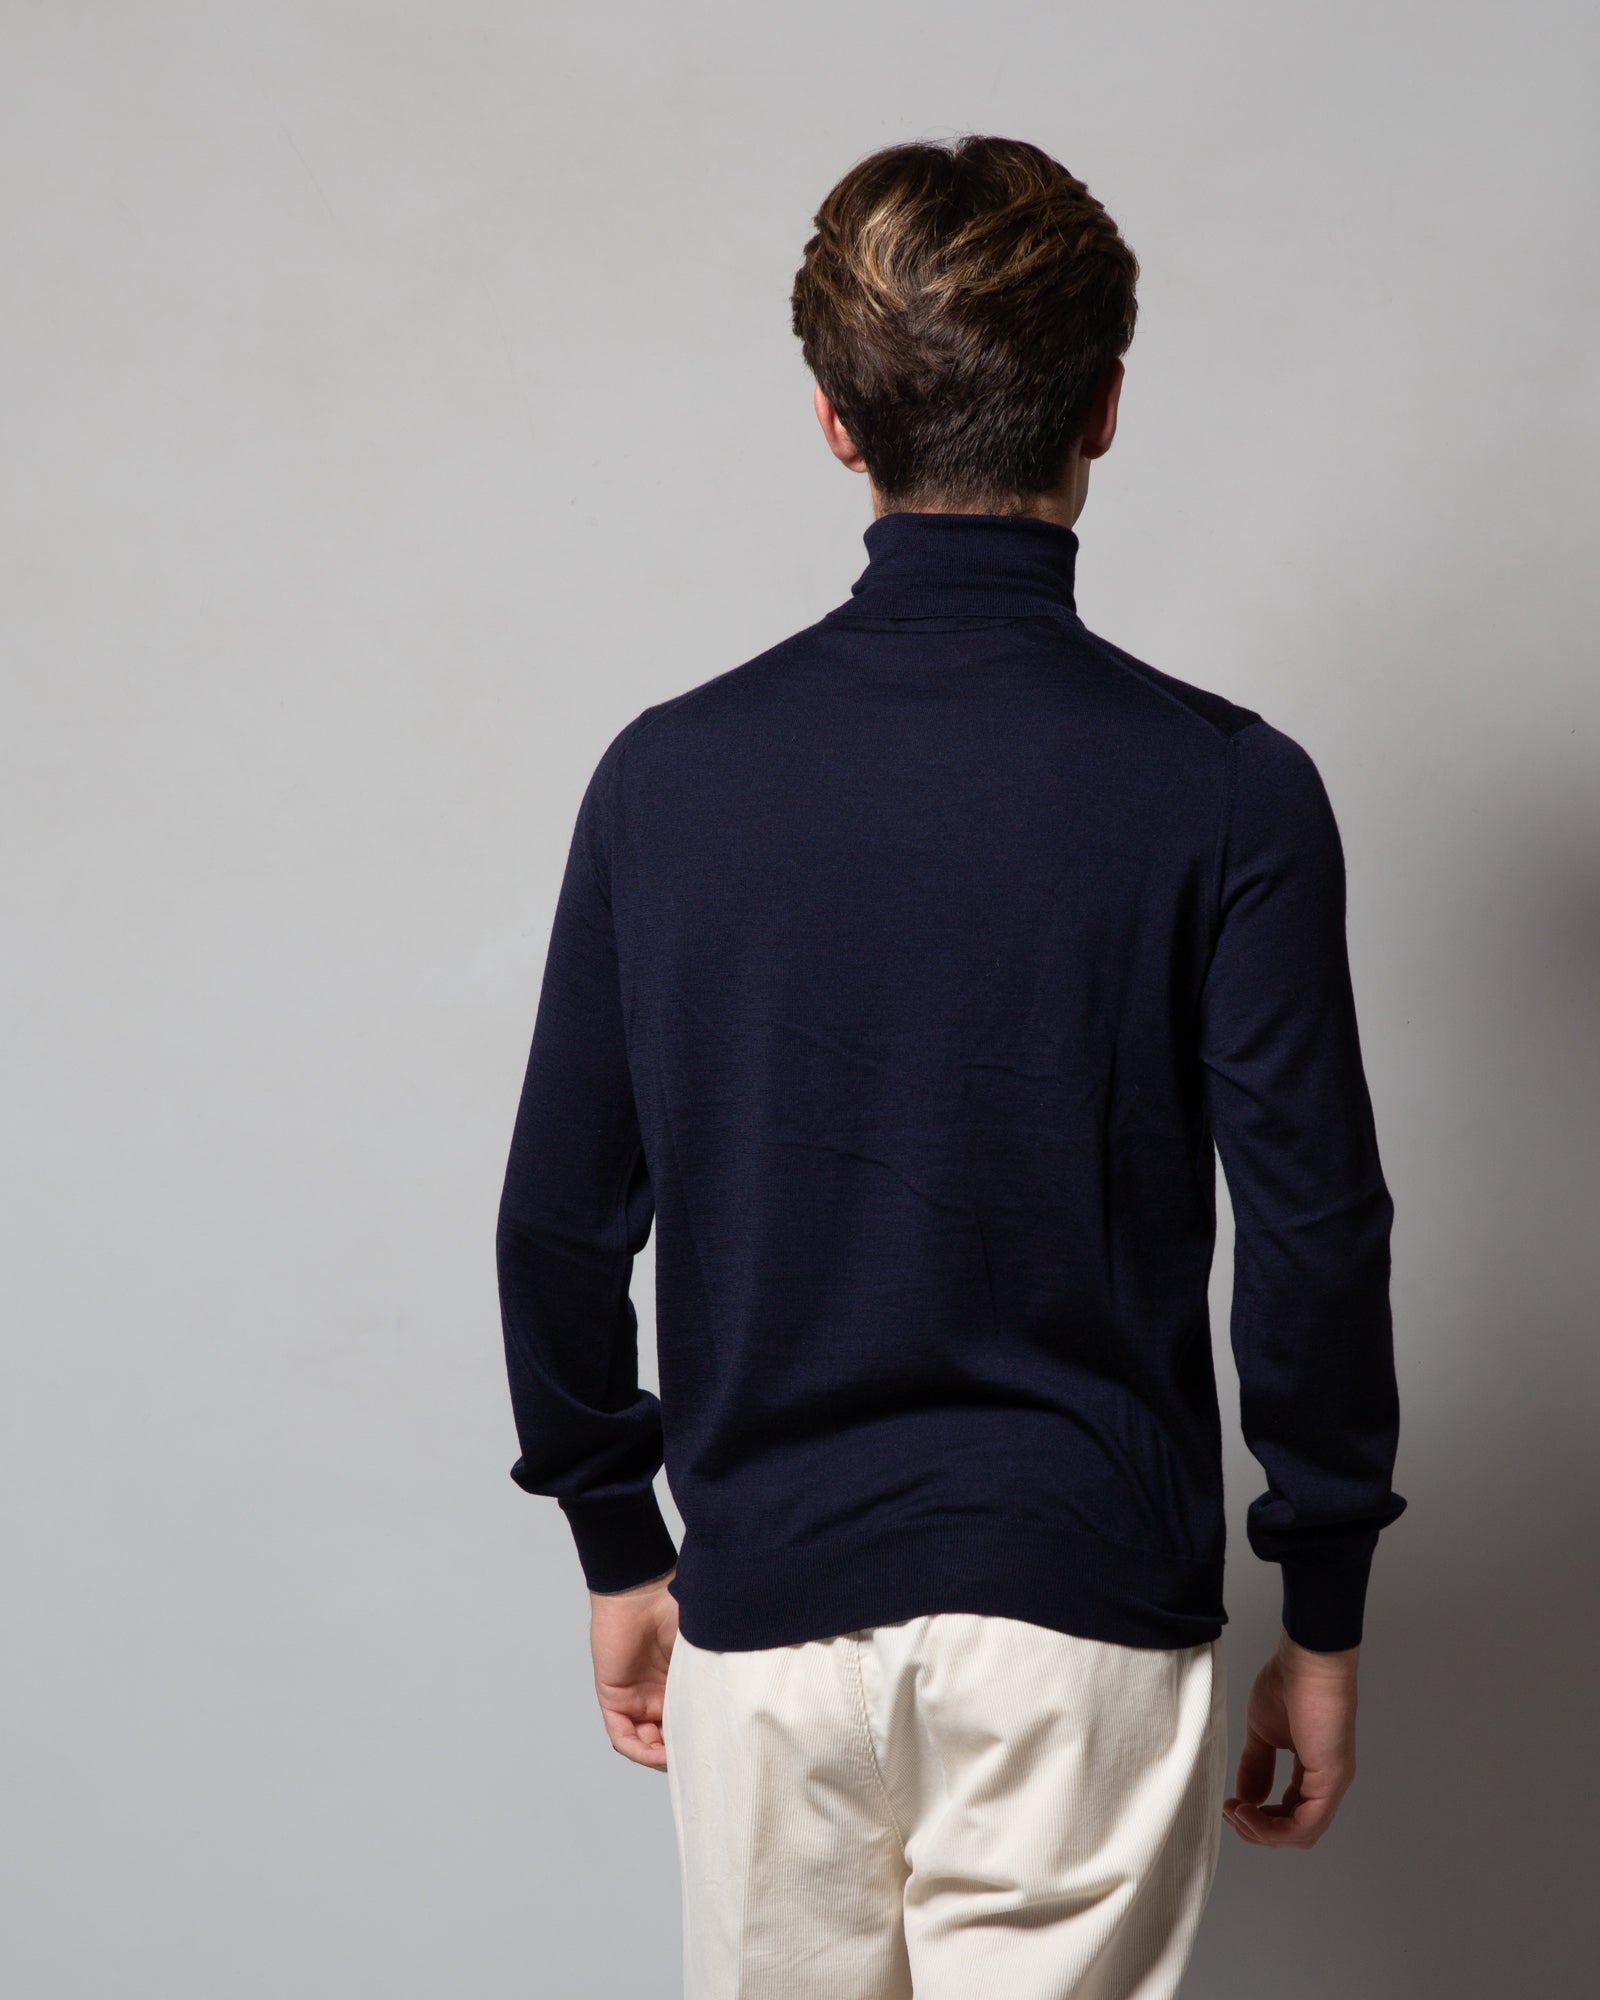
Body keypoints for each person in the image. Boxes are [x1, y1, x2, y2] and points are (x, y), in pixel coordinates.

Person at [495, 133, 1407, 1998]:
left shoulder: (666, 780)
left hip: (767, 1607)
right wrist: (1323, 1609)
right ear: (1106, 407)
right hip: (1083, 1618)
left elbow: (556, 1225)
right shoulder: (1230, 790)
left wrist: (616, 1539)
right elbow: (1316, 1235)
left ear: (835, 423)